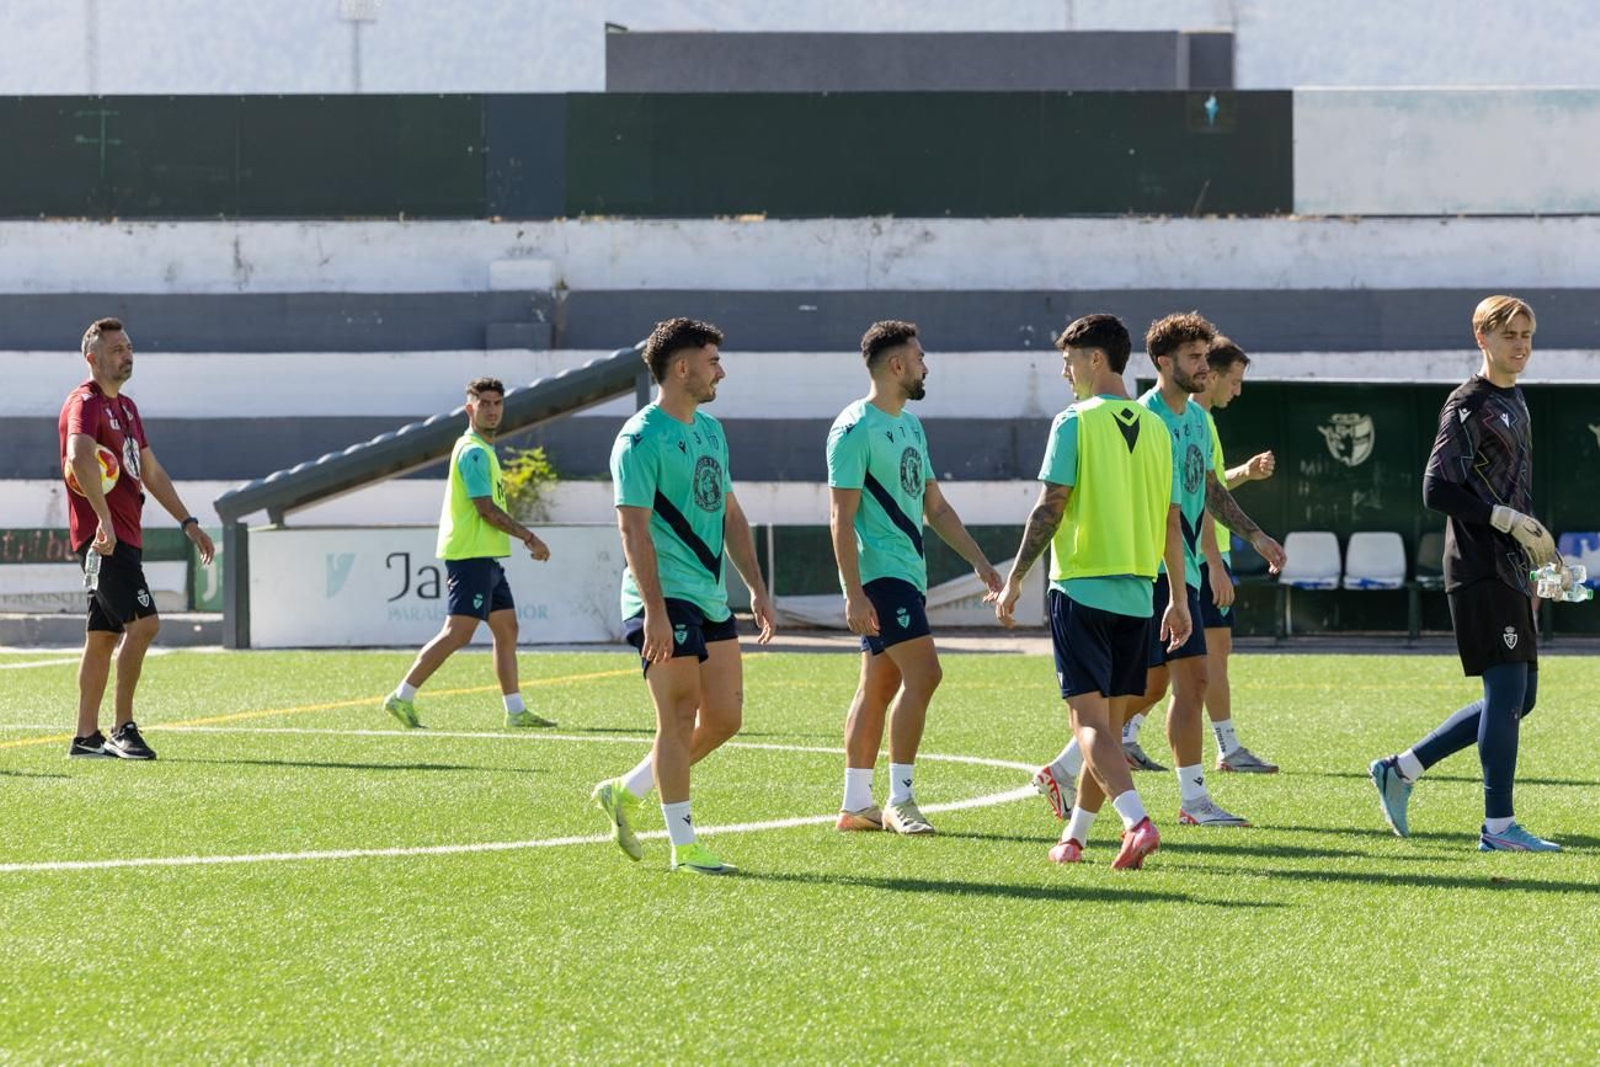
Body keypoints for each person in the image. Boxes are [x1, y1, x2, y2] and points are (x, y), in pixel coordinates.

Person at [1031, 313, 1285, 829]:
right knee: (1162, 687)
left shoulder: (1197, 419)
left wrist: (1253, 537)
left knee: (1174, 684)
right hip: (1146, 576)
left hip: (1181, 574)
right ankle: (1176, 799)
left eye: (1205, 358)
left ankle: (1092, 777)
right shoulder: (1143, 417)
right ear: (1163, 363)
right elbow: (1164, 512)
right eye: (1195, 359)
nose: (1205, 369)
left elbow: (1207, 490)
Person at [994, 314, 1187, 868]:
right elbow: (1172, 522)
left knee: (1088, 727)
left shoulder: (1074, 421)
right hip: (1139, 595)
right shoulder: (1158, 427)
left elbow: (1050, 506)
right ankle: (1074, 838)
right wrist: (1175, 595)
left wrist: (1015, 578)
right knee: (1104, 732)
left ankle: (1138, 823)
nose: (1065, 371)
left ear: (1095, 360)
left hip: (1080, 587)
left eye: (1069, 360)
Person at [1371, 295, 1562, 851]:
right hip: (1479, 565)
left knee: (1519, 699)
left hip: (1513, 568)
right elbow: (1436, 488)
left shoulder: (1516, 400)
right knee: (1504, 694)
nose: (1521, 345)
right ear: (1481, 338)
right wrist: (1502, 519)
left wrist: (1540, 559)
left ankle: (1401, 769)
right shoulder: (1467, 403)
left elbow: (1513, 489)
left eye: (1527, 334)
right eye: (1509, 335)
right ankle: (1498, 827)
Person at [591, 318, 776, 875]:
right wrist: (653, 612)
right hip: (662, 596)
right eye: (712, 359)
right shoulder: (640, 438)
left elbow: (731, 513)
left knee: (723, 718)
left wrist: (757, 587)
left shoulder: (711, 431)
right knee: (678, 714)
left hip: (710, 595)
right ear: (681, 367)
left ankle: (627, 790)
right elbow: (633, 531)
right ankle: (685, 845)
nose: (720, 369)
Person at [827, 321, 1003, 836]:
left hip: (908, 574)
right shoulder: (854, 427)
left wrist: (979, 560)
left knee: (879, 683)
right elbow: (840, 516)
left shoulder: (910, 426)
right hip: (881, 577)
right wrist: (853, 592)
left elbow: (936, 507)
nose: (927, 366)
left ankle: (855, 805)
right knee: (925, 674)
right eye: (920, 357)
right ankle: (900, 799)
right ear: (896, 366)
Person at [61, 317, 215, 759]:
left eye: (129, 348)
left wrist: (188, 522)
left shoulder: (127, 408)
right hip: (104, 539)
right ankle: (122, 727)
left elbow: (150, 470)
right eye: (116, 349)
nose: (126, 355)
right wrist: (104, 520)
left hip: (123, 534)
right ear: (92, 357)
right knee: (146, 624)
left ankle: (86, 738)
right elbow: (78, 456)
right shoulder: (84, 403)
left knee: (103, 637)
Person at [383, 377, 556, 730]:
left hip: (486, 557)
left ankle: (515, 710)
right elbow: (485, 510)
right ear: (469, 408)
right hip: (470, 556)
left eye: (497, 404)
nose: (492, 410)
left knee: (507, 629)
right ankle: (402, 696)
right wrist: (529, 537)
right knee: (457, 633)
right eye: (484, 404)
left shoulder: (482, 448)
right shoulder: (474, 451)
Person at [1194, 335, 1279, 773]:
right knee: (1187, 668)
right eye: (1235, 380)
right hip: (1200, 560)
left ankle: (1125, 736)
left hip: (1209, 556)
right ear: (1211, 375)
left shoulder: (1201, 421)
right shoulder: (1194, 420)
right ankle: (1226, 750)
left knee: (1202, 661)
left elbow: (1210, 489)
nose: (1238, 390)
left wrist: (1243, 473)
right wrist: (1213, 565)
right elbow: (1201, 502)